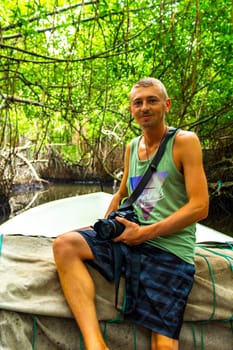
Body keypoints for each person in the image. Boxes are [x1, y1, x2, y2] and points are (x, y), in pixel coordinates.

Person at [53, 77, 209, 350]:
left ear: (166, 105)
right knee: (65, 245)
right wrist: (104, 225)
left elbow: (200, 206)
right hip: (131, 238)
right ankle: (95, 345)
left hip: (169, 249)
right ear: (131, 110)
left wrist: (145, 233)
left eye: (152, 100)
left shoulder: (184, 142)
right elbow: (122, 193)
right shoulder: (131, 147)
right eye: (138, 103)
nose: (145, 107)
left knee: (163, 344)